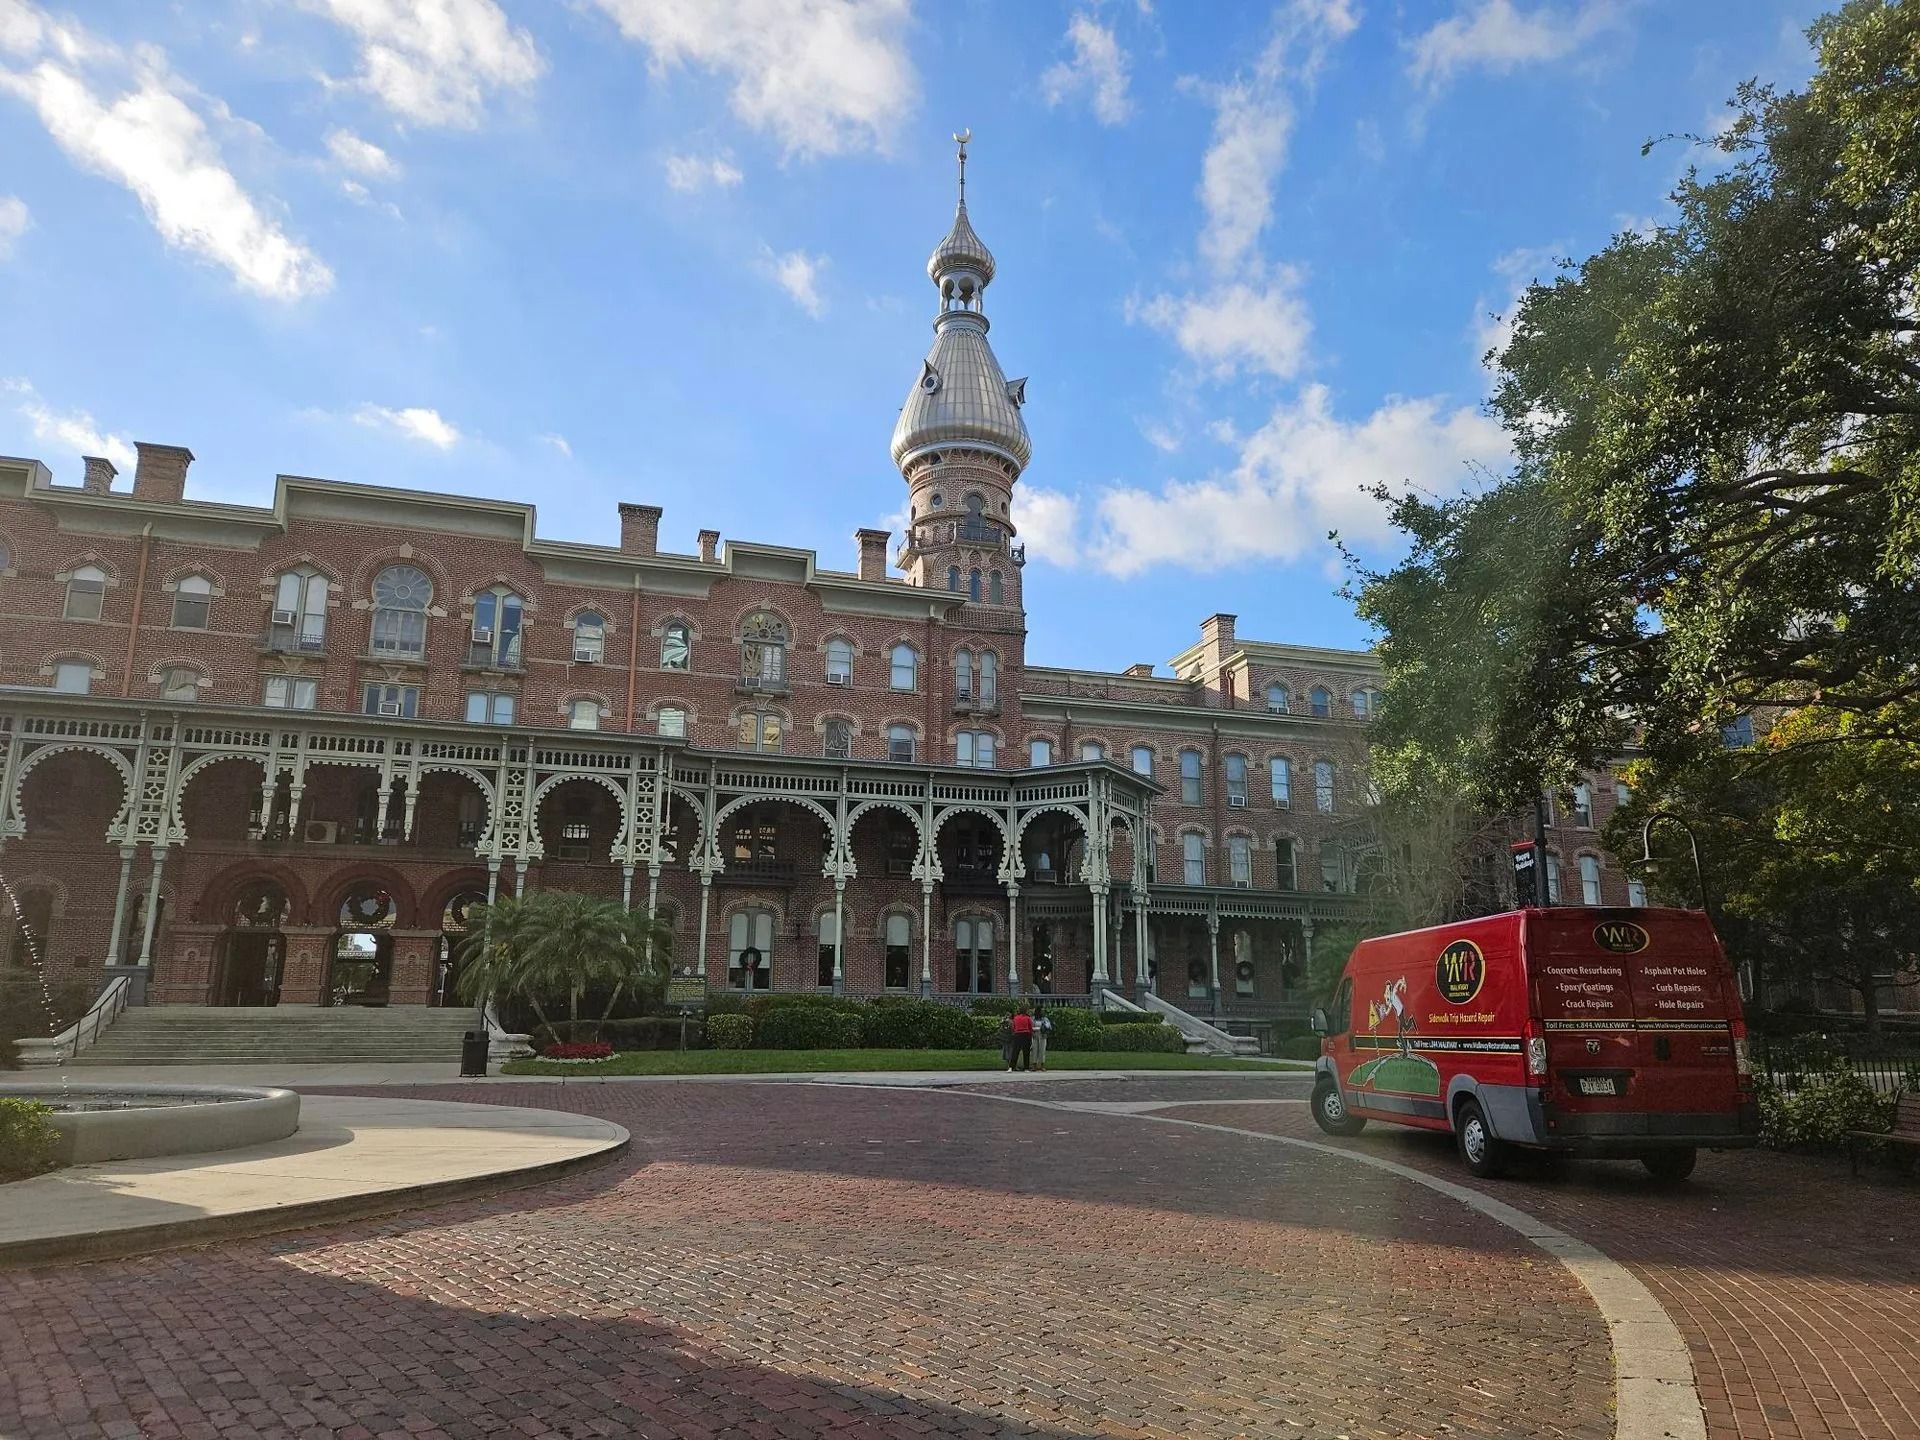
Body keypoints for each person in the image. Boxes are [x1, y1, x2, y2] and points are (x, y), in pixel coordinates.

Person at [1008, 1002, 1034, 1071]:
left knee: (1015, 1052)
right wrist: (1031, 1034)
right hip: (1026, 1034)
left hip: (1017, 1034)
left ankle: (1011, 1067)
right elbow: (1030, 1027)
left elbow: (1013, 1027)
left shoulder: (1016, 1018)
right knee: (1026, 1052)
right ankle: (1026, 1068)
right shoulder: (1028, 1018)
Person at [1031, 1000, 1052, 1071]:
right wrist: (1034, 1029)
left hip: (1042, 1036)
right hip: (1035, 1035)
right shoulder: (1033, 1019)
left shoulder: (1045, 1019)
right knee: (1035, 1050)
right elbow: (1030, 1027)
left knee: (1042, 1051)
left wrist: (1045, 1027)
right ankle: (1034, 1065)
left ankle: (1042, 1065)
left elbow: (1049, 1027)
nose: (1042, 1012)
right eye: (1041, 1011)